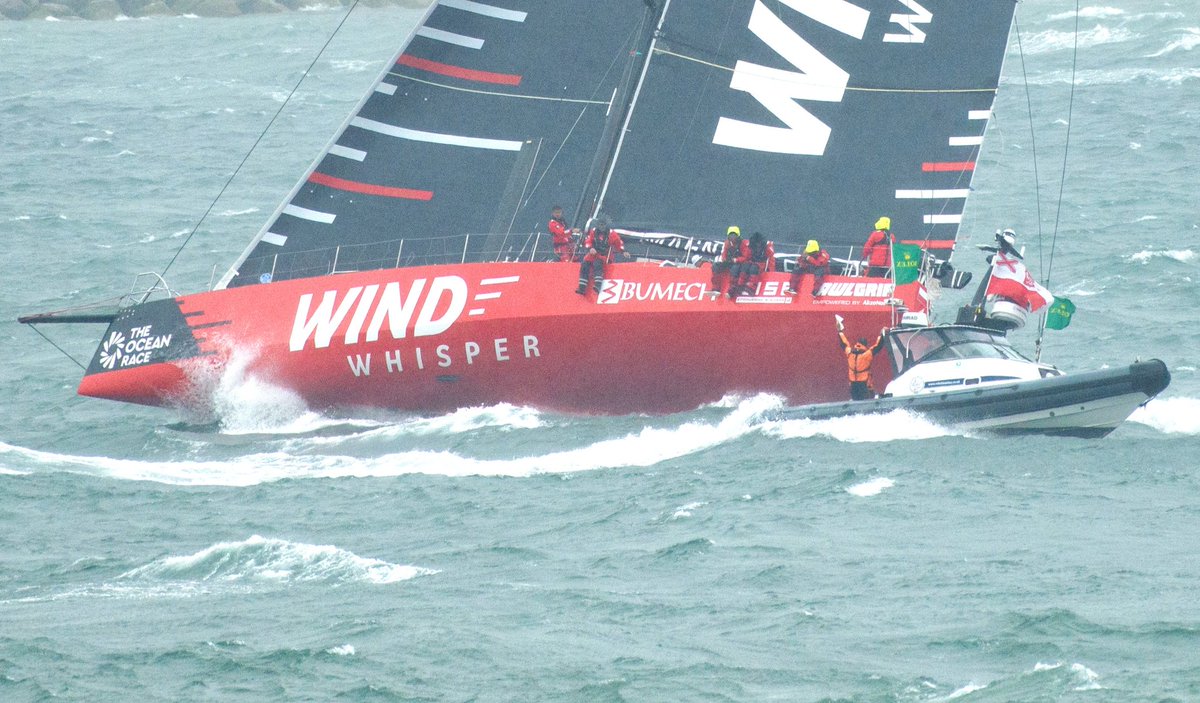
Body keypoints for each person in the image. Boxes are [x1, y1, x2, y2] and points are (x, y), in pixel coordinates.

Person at [837, 317, 886, 400]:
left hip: (853, 385)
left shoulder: (849, 353)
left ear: (857, 344)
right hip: (864, 385)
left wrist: (840, 331)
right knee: (867, 402)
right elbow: (878, 346)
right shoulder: (867, 354)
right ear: (865, 345)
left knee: (856, 402)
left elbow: (844, 344)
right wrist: (882, 334)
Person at [576, 216, 626, 295]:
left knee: (597, 264)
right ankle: (582, 287)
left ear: (606, 225)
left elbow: (619, 243)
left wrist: (623, 251)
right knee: (585, 264)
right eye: (600, 225)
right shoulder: (593, 231)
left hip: (604, 255)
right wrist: (590, 248)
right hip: (593, 253)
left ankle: (598, 285)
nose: (601, 227)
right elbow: (588, 241)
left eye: (603, 225)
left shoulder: (612, 234)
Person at [731, 231, 775, 298]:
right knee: (745, 266)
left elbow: (771, 259)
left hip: (761, 264)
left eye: (759, 245)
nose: (757, 246)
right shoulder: (750, 245)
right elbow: (747, 256)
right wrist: (740, 261)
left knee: (753, 268)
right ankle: (739, 286)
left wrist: (771, 272)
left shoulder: (768, 247)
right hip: (752, 262)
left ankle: (751, 288)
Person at [710, 226, 749, 298]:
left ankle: (731, 290)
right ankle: (716, 288)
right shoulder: (727, 243)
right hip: (729, 262)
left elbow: (746, 257)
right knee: (716, 266)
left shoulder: (743, 243)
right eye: (731, 235)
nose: (732, 237)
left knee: (734, 269)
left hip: (739, 263)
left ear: (738, 236)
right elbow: (724, 253)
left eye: (734, 235)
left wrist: (736, 260)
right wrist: (725, 260)